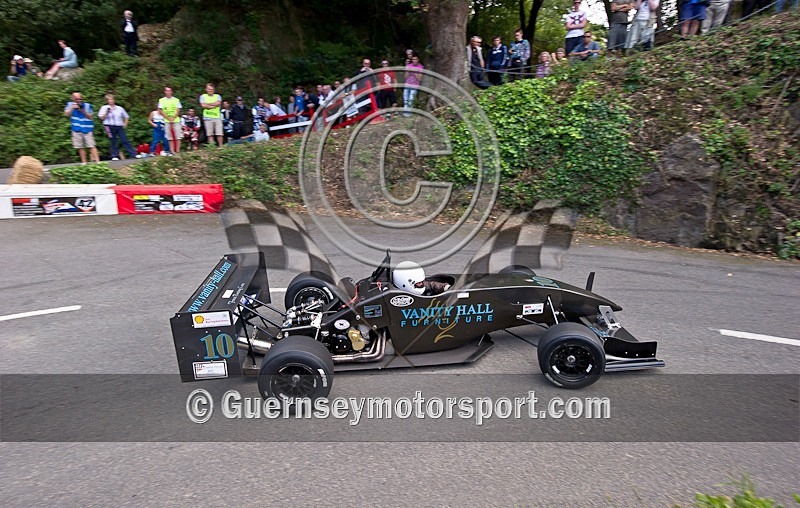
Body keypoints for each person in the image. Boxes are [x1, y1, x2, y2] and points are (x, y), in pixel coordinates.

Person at [99, 94, 142, 161]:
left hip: (119, 126)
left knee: (124, 140)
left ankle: (134, 154)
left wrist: (125, 124)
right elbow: (101, 118)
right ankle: (114, 155)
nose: (111, 101)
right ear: (107, 101)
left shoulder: (119, 108)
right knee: (113, 140)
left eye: (112, 99)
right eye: (109, 99)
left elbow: (126, 116)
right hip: (108, 126)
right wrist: (107, 112)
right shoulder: (104, 108)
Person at [63, 92, 99, 164]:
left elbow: (90, 117)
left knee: (91, 145)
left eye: (80, 99)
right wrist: (72, 108)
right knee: (80, 146)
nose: (79, 100)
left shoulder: (87, 105)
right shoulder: (69, 105)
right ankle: (84, 162)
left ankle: (98, 162)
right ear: (73, 99)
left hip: (87, 128)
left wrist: (81, 110)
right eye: (76, 99)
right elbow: (66, 114)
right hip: (76, 128)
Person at [158, 86, 182, 154]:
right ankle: (172, 150)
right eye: (167, 91)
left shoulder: (176, 100)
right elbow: (160, 110)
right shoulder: (161, 100)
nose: (168, 92)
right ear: (165, 92)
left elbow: (178, 109)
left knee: (178, 136)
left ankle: (178, 151)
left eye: (169, 91)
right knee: (169, 137)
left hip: (176, 120)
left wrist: (173, 118)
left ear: (171, 92)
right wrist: (168, 118)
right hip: (167, 120)